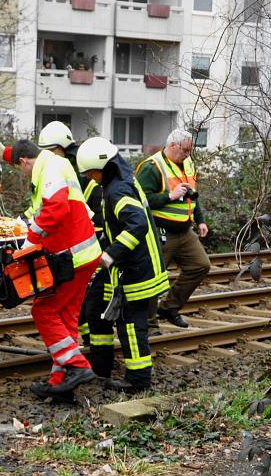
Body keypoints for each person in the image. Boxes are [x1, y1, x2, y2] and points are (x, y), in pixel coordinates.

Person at [3, 140, 102, 400]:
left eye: (19, 168)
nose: (21, 174)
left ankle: (78, 367)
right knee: (65, 317)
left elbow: (56, 208)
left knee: (44, 310)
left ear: (24, 162)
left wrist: (30, 239)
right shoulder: (53, 165)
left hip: (73, 257)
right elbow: (48, 209)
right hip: (81, 255)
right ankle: (62, 383)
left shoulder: (49, 170)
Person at [76, 137, 169, 393]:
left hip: (137, 270)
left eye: (91, 173)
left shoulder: (116, 190)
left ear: (101, 167)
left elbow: (137, 223)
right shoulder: (120, 182)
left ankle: (138, 382)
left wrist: (111, 254)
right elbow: (115, 226)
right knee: (124, 320)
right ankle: (129, 375)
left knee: (130, 325)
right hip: (138, 266)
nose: (91, 178)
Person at [136, 129, 211, 330]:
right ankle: (149, 326)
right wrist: (169, 196)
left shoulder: (188, 163)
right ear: (172, 146)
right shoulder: (152, 167)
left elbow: (193, 196)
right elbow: (139, 201)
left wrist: (200, 220)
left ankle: (169, 308)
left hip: (185, 231)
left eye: (189, 150)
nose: (187, 154)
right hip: (160, 232)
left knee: (200, 265)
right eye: (185, 150)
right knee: (154, 279)